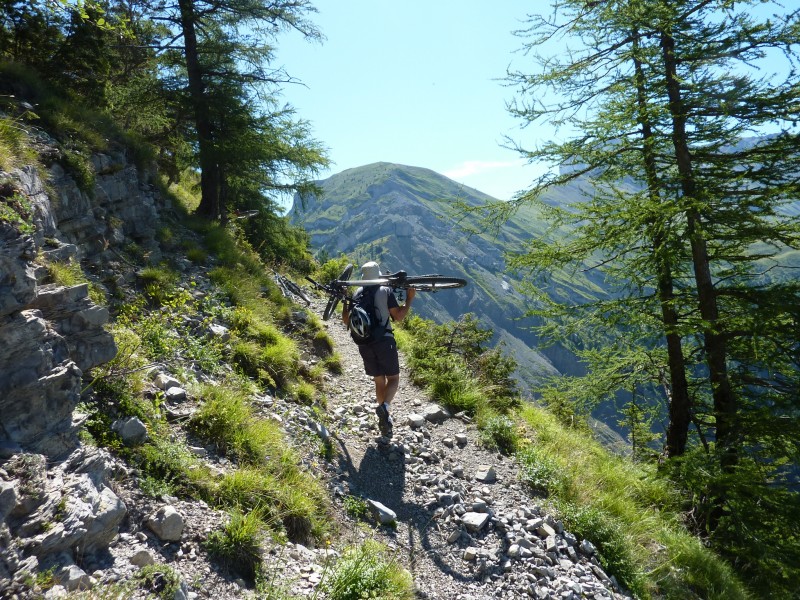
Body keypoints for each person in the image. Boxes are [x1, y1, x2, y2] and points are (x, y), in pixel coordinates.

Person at [342, 261, 415, 437]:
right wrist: (409, 299)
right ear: (378, 275)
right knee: (394, 379)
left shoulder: (357, 292)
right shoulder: (385, 290)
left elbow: (346, 320)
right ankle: (385, 407)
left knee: (379, 380)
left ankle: (385, 420)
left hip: (364, 343)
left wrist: (345, 300)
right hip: (384, 340)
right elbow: (398, 316)